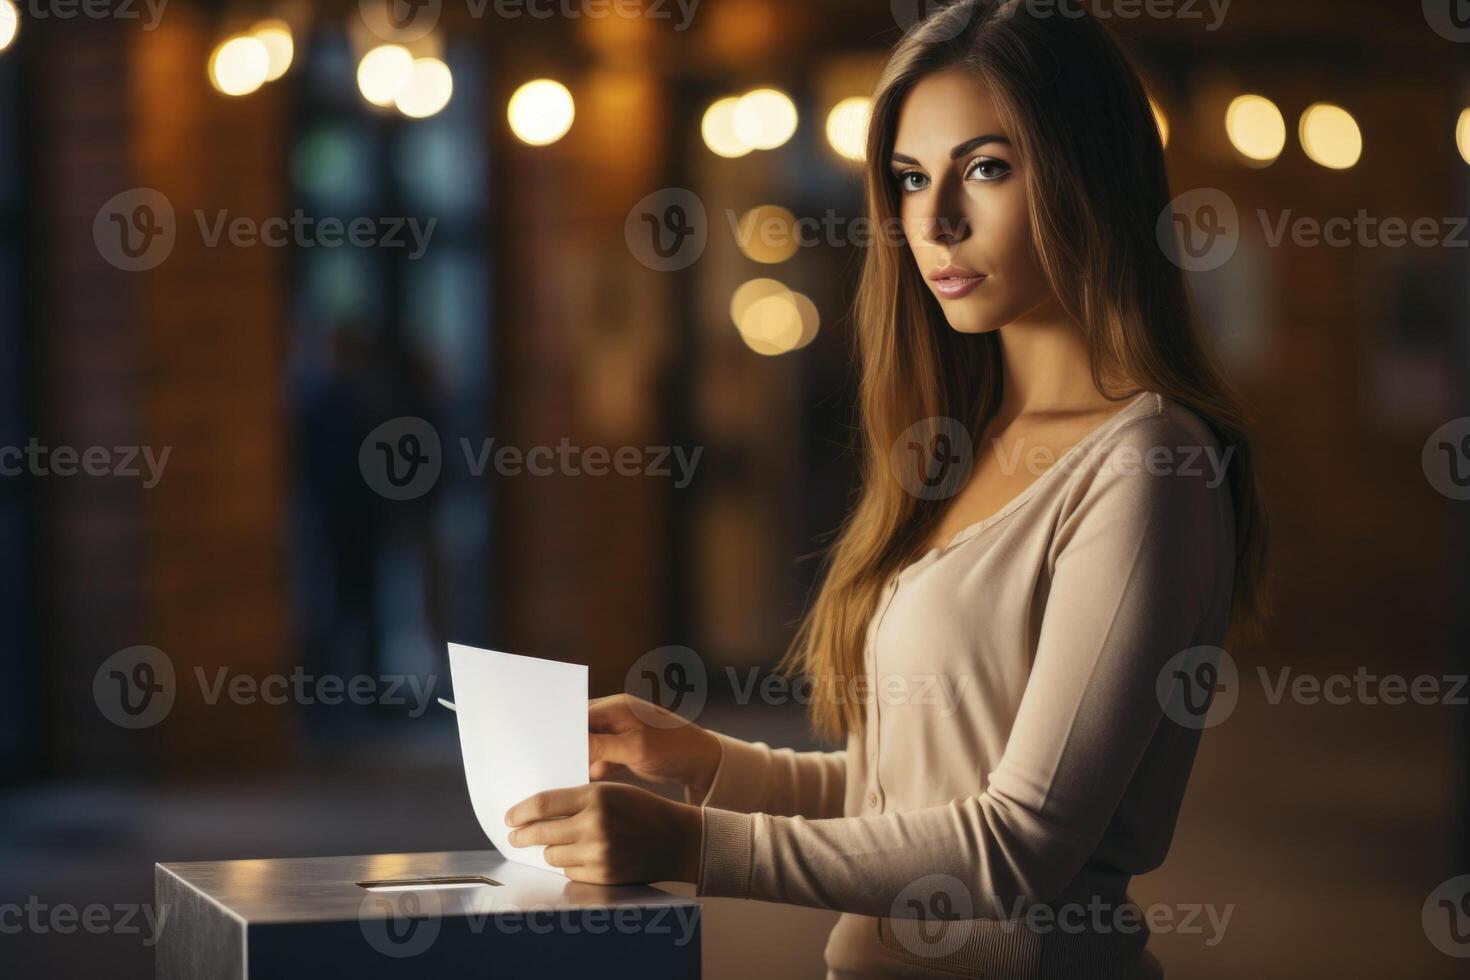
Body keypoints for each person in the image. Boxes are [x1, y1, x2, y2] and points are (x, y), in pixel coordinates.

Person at [505, 1, 1270, 976]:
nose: (937, 220)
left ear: (1092, 174)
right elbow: (898, 796)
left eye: (986, 168)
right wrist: (704, 763)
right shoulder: (962, 443)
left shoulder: (1150, 465)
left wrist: (690, 845)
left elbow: (1017, 845)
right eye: (911, 179)